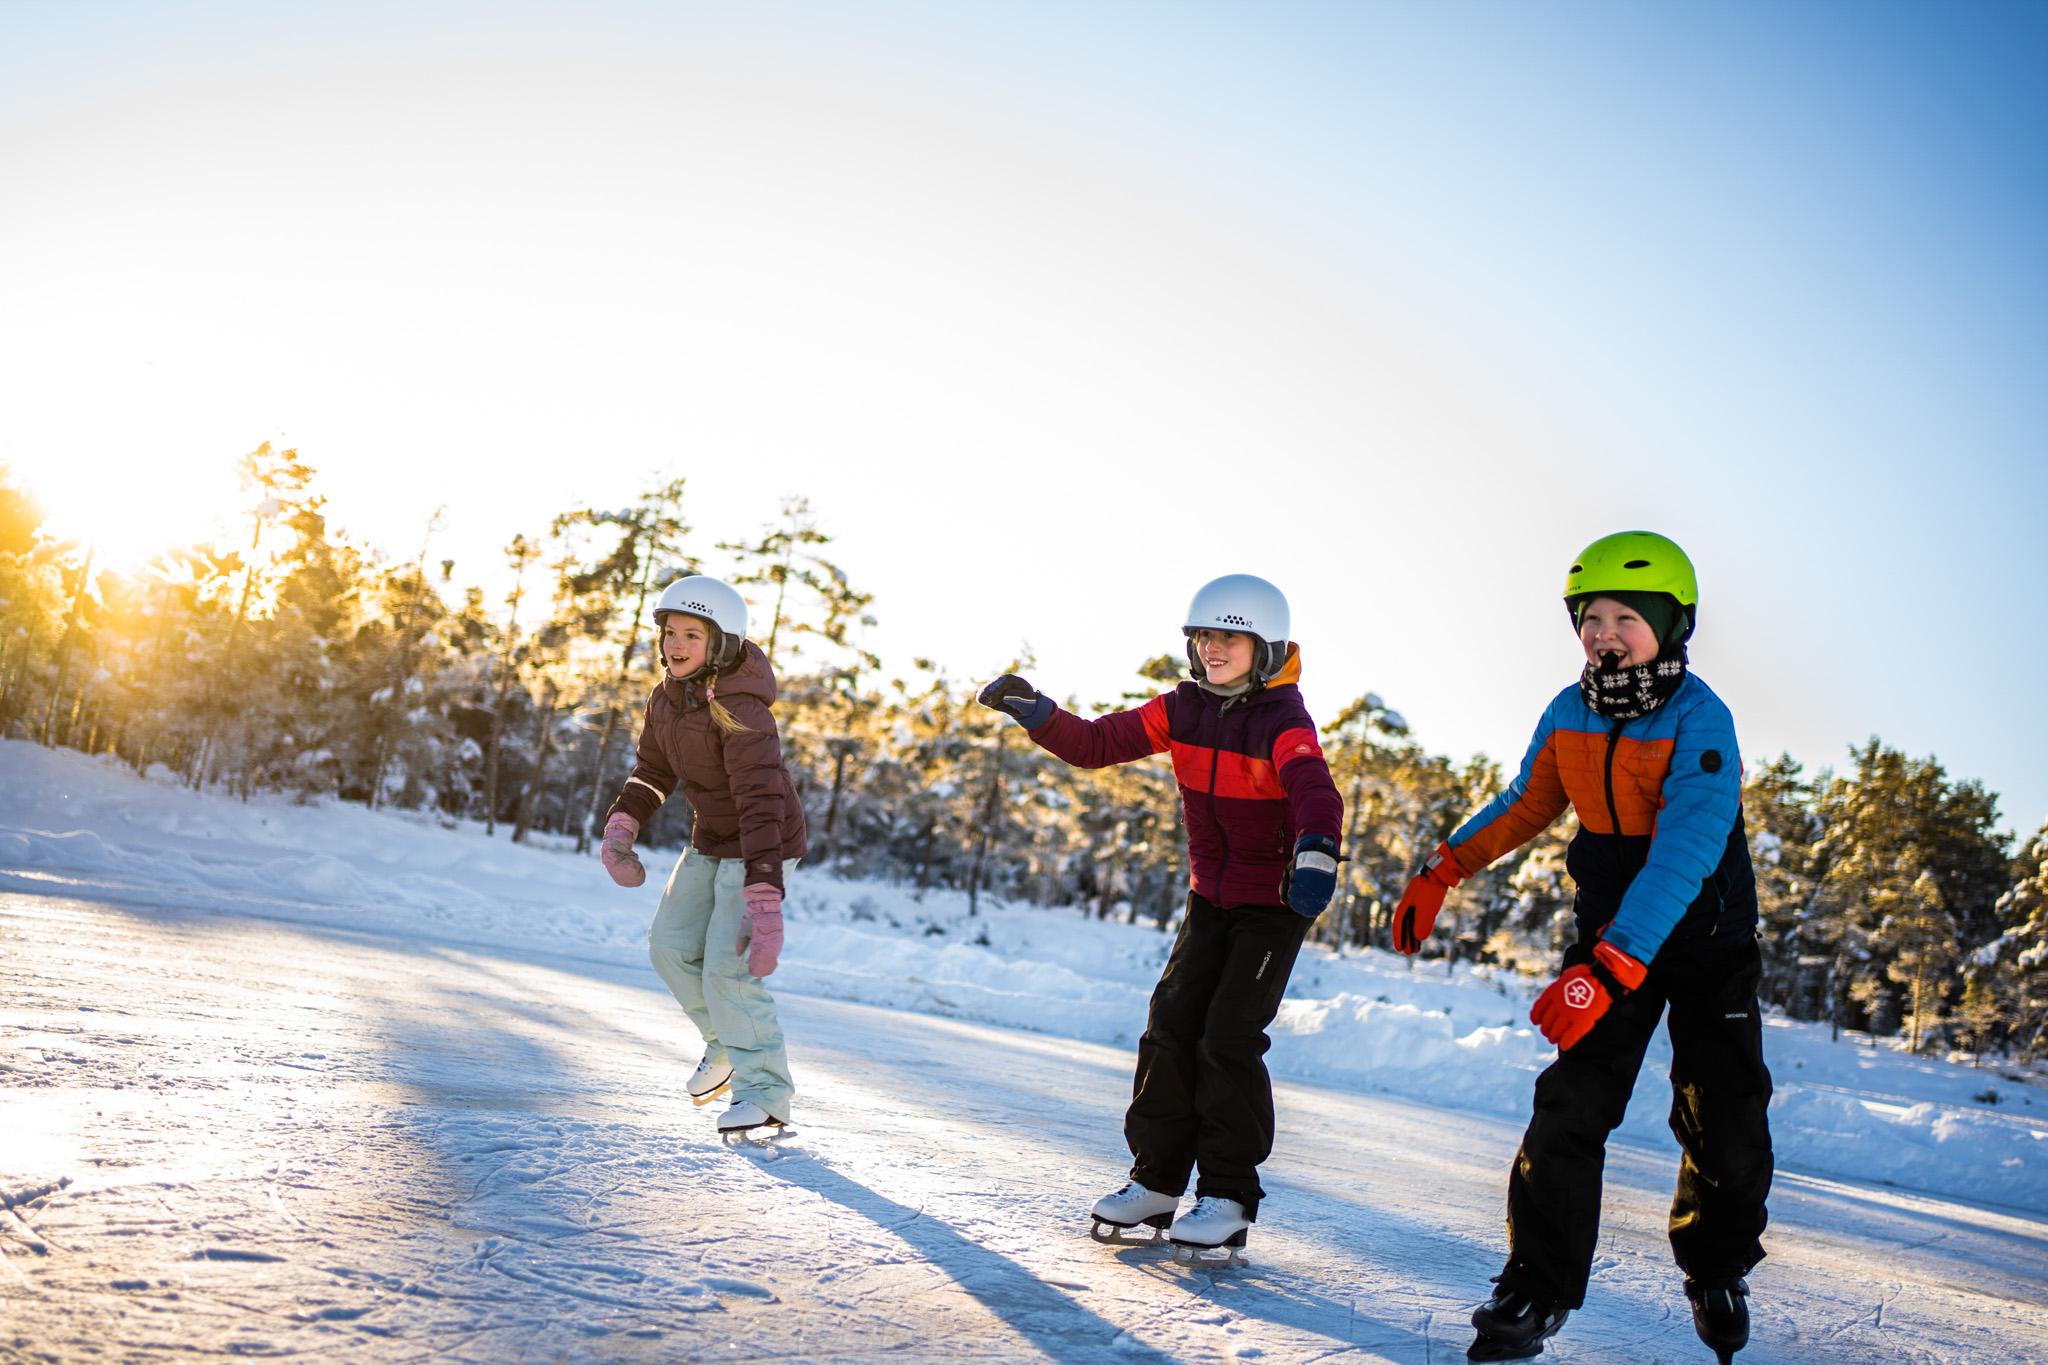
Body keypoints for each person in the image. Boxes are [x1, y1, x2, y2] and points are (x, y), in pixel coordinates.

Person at [1391, 531, 1769, 1363]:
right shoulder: (1571, 710)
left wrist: (1613, 962)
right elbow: (1526, 799)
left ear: (1674, 624)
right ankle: (1536, 1282)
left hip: (1703, 938)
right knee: (1570, 1105)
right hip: (1609, 938)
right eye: (1590, 616)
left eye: (1626, 616)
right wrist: (1443, 865)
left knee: (1725, 1116)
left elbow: (1686, 849)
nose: (1604, 631)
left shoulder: (1702, 718)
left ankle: (1716, 1265)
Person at [978, 574, 1343, 1259]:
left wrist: (1318, 849)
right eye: (1203, 636)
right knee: (1170, 1025)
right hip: (1210, 897)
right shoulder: (1183, 707)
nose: (1212, 649)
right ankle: (1156, 1182)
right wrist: (1038, 713)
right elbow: (1096, 744)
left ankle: (1228, 1193)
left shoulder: (1282, 719)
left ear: (1263, 647)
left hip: (1274, 904)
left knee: (1228, 1035)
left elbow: (1314, 788)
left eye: (1228, 637)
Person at [598, 574, 808, 1137]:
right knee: (668, 947)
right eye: (670, 631)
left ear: (719, 642)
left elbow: (762, 801)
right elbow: (653, 771)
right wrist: (623, 826)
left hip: (761, 845)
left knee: (727, 970)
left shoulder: (743, 710)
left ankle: (765, 1092)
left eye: (692, 633)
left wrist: (764, 897)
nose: (676, 644)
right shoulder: (667, 698)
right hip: (712, 839)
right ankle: (724, 1046)